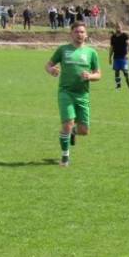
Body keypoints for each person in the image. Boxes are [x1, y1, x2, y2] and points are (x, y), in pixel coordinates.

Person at [45, 21, 101, 167]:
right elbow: (48, 64)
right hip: (66, 92)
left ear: (86, 34)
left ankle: (74, 133)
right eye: (76, 32)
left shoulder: (91, 53)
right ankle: (65, 157)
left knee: (84, 130)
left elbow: (98, 74)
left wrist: (90, 76)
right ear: (71, 33)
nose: (79, 34)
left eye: (82, 32)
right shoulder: (63, 50)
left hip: (83, 94)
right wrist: (51, 70)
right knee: (68, 123)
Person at [108, 21, 129, 90]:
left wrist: (128, 54)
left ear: (121, 28)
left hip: (124, 57)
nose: (118, 29)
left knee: (125, 71)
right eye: (117, 27)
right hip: (116, 57)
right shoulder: (113, 37)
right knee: (117, 72)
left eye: (119, 27)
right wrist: (109, 57)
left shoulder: (125, 35)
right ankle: (118, 86)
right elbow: (111, 48)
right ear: (115, 28)